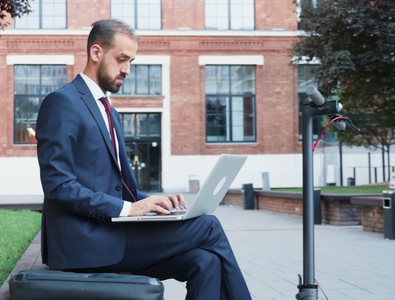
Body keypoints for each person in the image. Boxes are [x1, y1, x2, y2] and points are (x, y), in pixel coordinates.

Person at [35, 18, 251, 300]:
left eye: (131, 61)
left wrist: (158, 203)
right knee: (208, 226)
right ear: (96, 52)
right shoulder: (62, 102)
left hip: (113, 234)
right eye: (122, 59)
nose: (127, 69)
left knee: (205, 261)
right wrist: (130, 210)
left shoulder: (109, 112)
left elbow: (124, 190)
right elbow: (58, 186)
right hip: (83, 243)